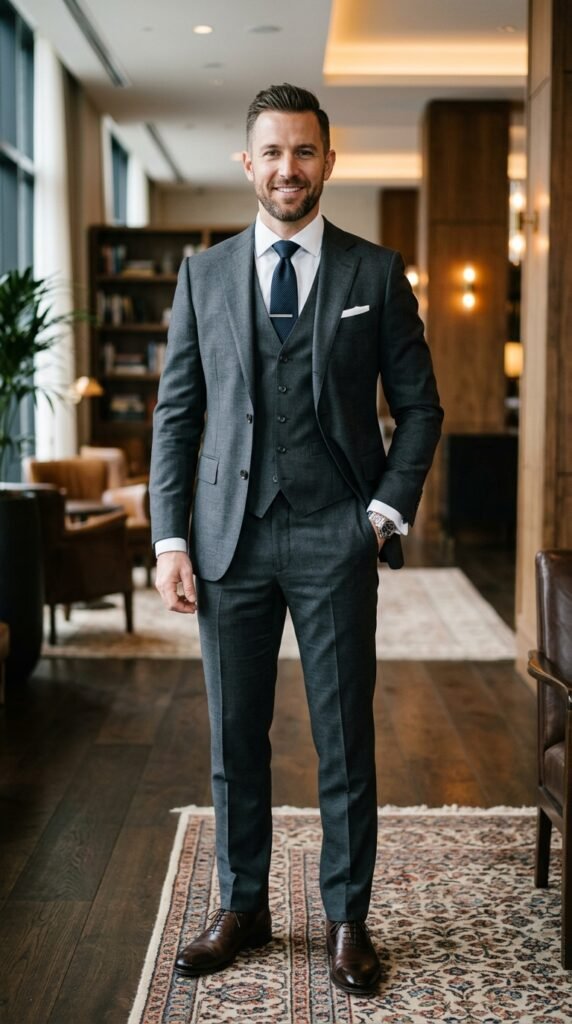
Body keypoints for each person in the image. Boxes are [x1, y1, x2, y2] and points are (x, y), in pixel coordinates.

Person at [150, 82, 443, 995]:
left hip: (335, 537)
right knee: (235, 739)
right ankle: (242, 907)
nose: (289, 168)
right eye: (272, 152)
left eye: (305, 152)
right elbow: (176, 417)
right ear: (248, 162)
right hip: (227, 539)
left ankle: (348, 918)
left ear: (328, 157)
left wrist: (382, 514)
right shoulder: (202, 275)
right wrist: (168, 539)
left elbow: (422, 410)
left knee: (343, 738)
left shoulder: (374, 272)